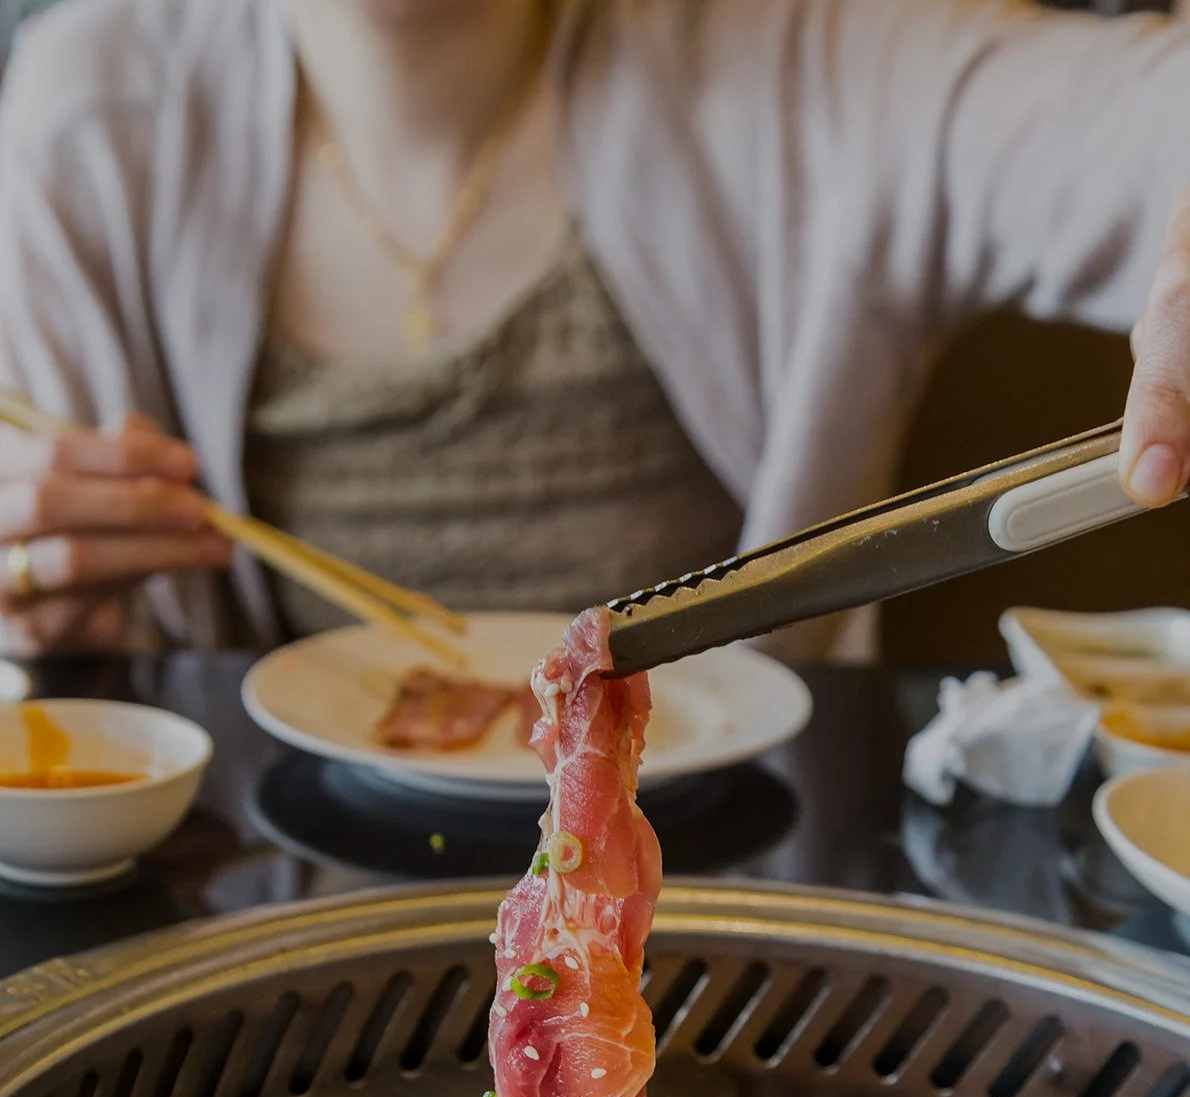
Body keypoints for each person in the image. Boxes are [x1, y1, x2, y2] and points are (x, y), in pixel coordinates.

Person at [0, 0, 1186, 659]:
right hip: (253, 911)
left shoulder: (805, 51)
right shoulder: (87, 116)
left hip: (748, 900)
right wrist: (40, 609)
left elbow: (1138, 117)